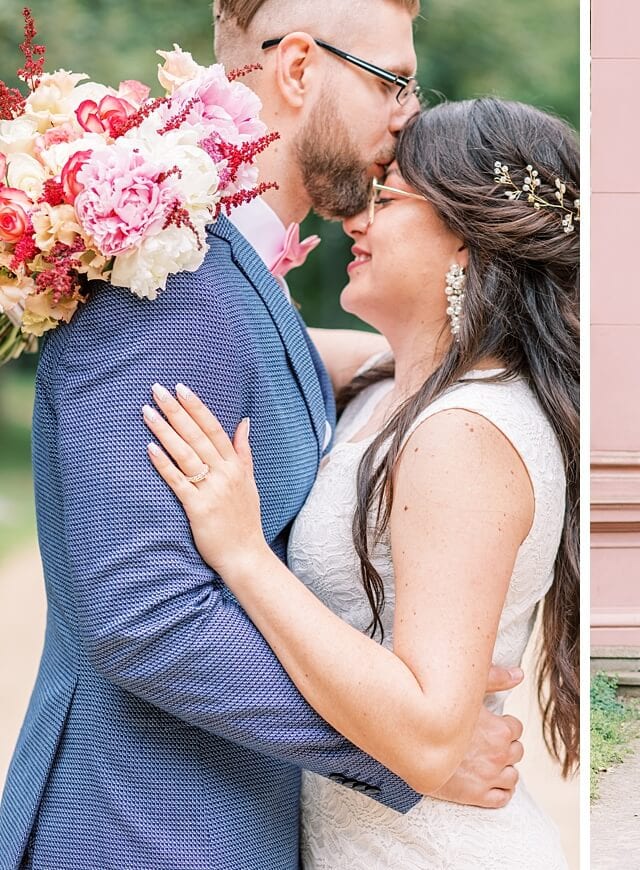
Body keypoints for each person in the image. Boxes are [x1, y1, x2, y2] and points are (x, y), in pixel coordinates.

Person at [0, 3, 524, 868]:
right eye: (394, 80)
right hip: (141, 830)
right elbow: (146, 617)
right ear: (298, 69)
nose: (409, 114)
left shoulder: (232, 271)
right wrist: (402, 745)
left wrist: (431, 357)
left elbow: (266, 375)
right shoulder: (167, 273)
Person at [140, 98, 579, 867]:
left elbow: (427, 731)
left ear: (466, 242)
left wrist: (243, 555)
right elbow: (224, 332)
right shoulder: (387, 384)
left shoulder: (463, 435)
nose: (354, 218)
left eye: (387, 196)